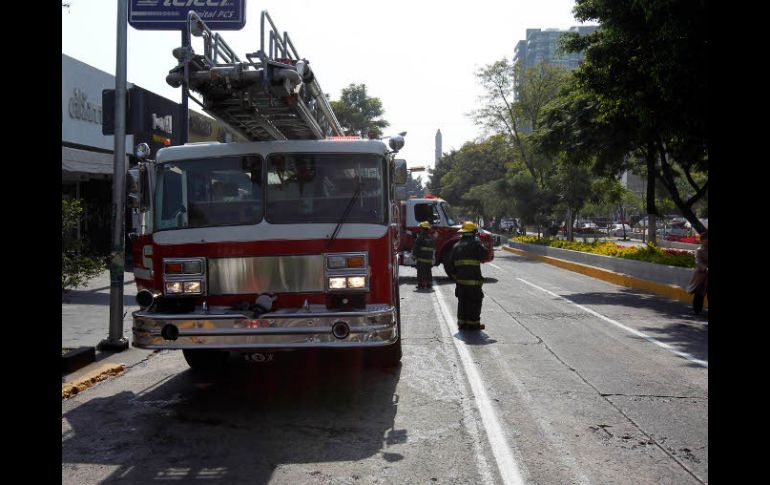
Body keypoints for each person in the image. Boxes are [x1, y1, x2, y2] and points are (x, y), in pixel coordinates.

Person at [450, 221, 486, 330]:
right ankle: (473, 324)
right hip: (473, 282)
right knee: (475, 302)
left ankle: (462, 323)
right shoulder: (476, 244)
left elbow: (451, 264)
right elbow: (484, 254)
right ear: (473, 232)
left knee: (462, 302)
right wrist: (480, 243)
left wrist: (456, 277)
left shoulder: (456, 246)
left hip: (460, 282)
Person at [687, 230, 708, 314]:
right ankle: (697, 309)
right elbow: (698, 261)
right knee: (699, 293)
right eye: (706, 239)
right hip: (702, 274)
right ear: (702, 240)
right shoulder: (699, 250)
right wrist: (705, 268)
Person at [414, 221, 435, 290]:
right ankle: (429, 284)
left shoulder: (420, 238)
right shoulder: (430, 238)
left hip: (421, 259)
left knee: (420, 272)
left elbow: (416, 248)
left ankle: (421, 285)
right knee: (428, 272)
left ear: (422, 229)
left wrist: (414, 257)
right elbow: (433, 250)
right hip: (428, 260)